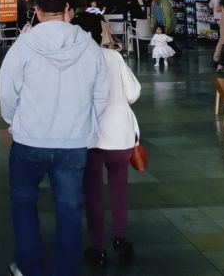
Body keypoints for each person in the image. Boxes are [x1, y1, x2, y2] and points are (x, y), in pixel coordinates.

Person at [0, 0, 111, 276]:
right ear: (67, 12)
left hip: (29, 141)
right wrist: (83, 121)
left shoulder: (23, 44)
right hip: (73, 143)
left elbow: (8, 91)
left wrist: (14, 121)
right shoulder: (89, 45)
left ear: (35, 11)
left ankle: (28, 266)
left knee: (23, 203)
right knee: (70, 210)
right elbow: (101, 94)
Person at [82, 20, 141, 266]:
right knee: (119, 186)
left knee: (92, 191)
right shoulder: (113, 57)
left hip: (90, 134)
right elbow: (133, 92)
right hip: (120, 133)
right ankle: (120, 236)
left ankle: (98, 246)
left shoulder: (77, 60)